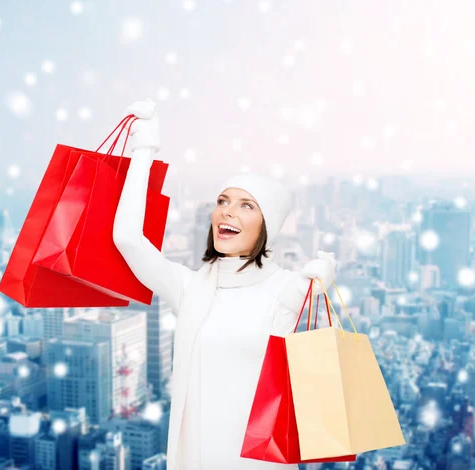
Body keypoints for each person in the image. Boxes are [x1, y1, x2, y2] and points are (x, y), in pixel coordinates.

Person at [113, 99, 337, 470]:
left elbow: (316, 366)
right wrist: (144, 149)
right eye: (223, 201)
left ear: (268, 228)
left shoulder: (285, 290)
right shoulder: (190, 289)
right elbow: (128, 240)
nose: (228, 211)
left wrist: (320, 282)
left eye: (247, 205)